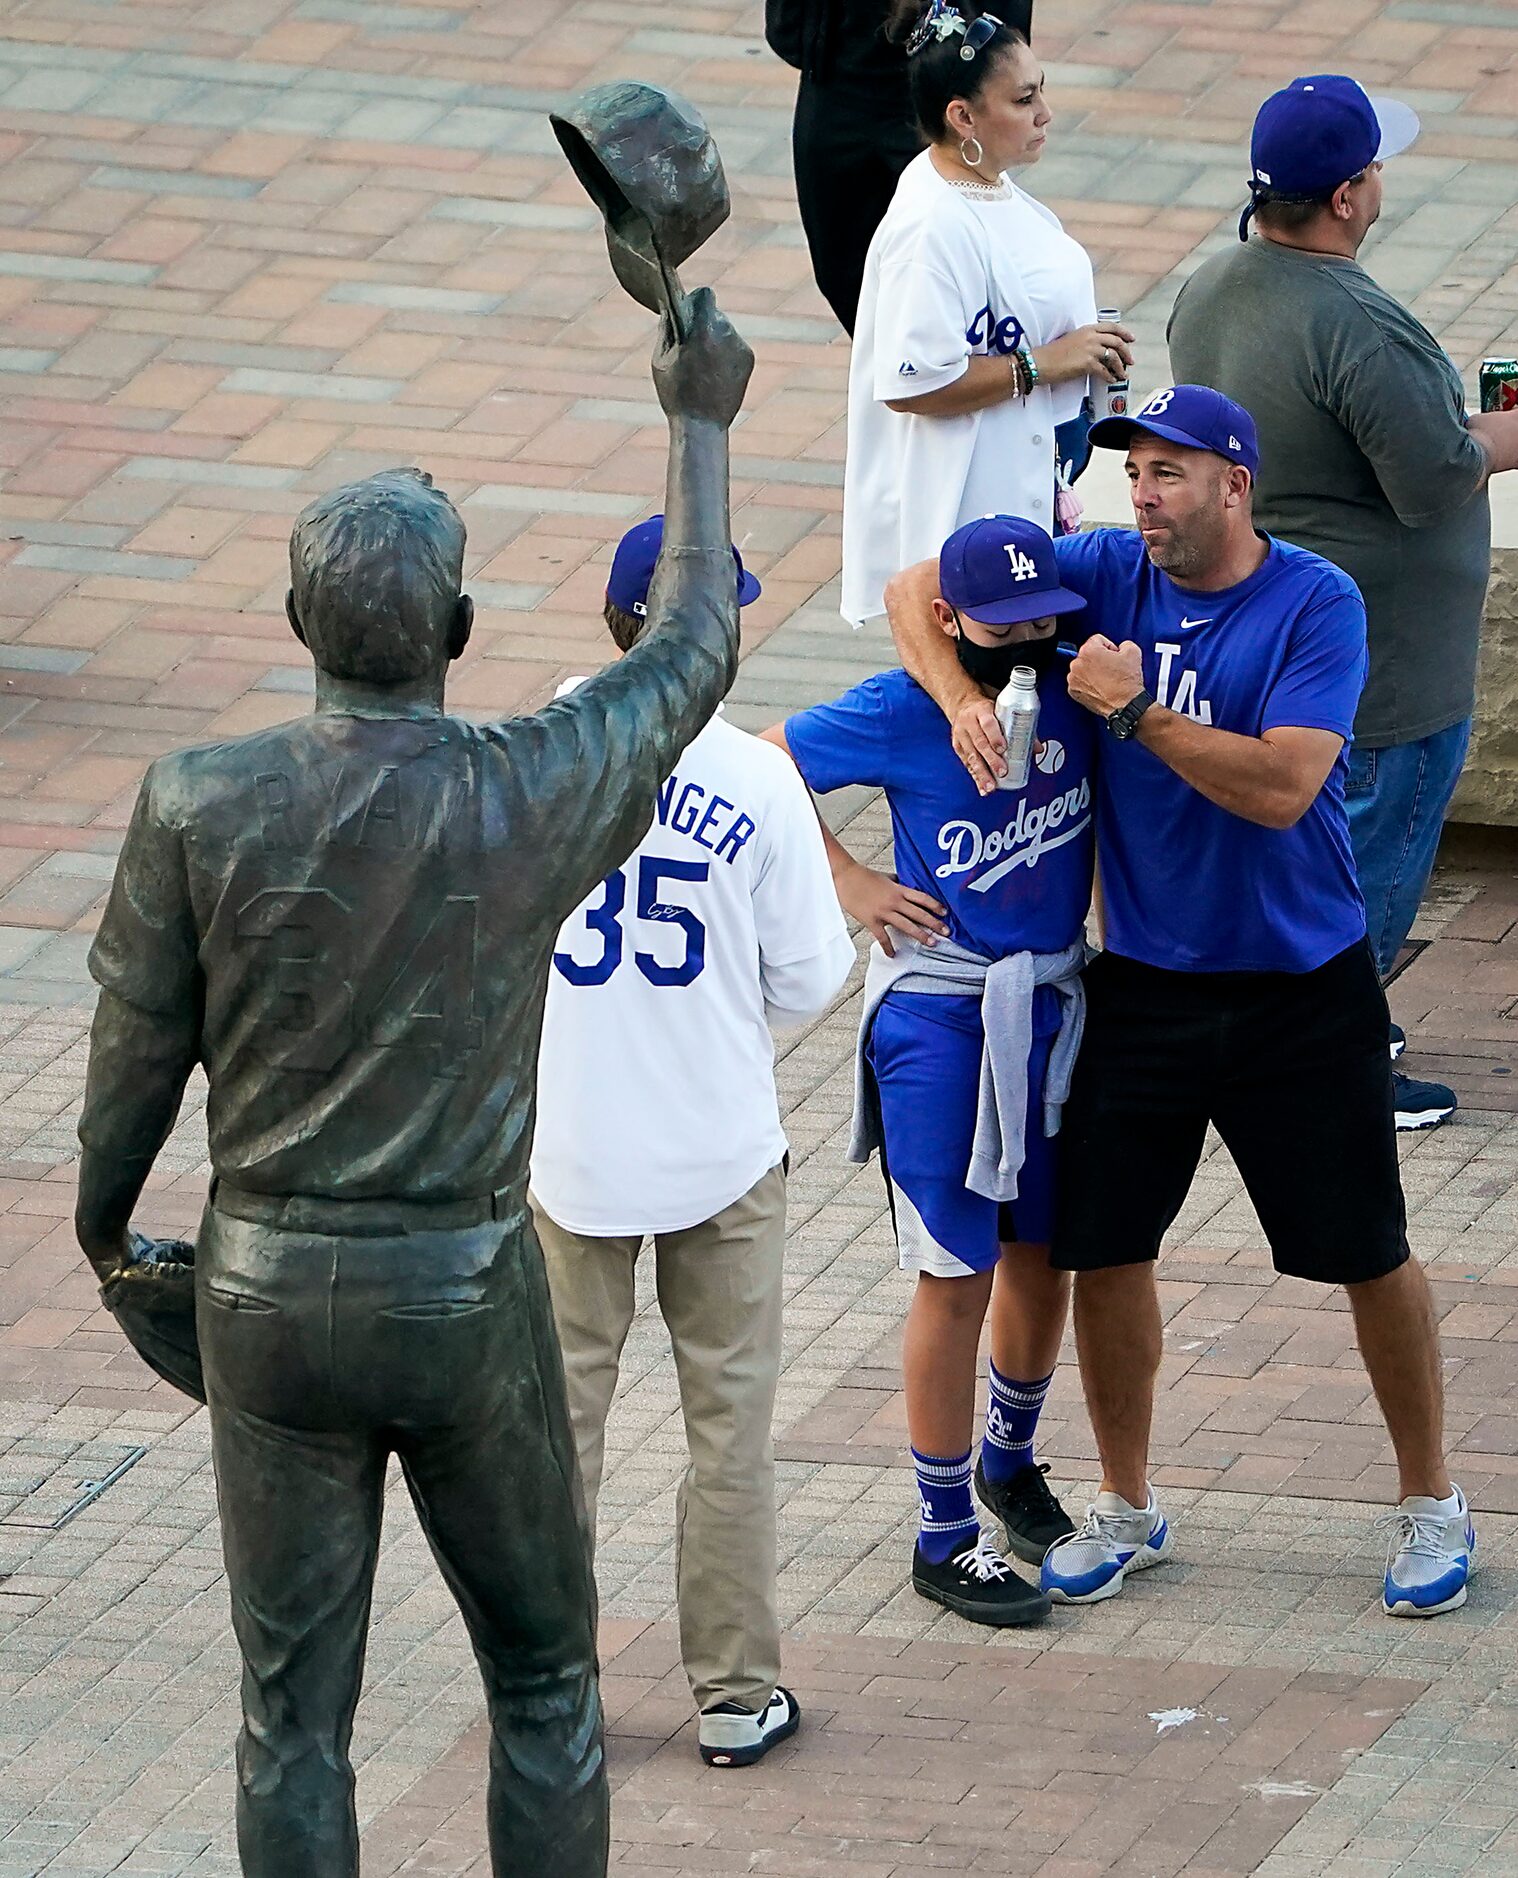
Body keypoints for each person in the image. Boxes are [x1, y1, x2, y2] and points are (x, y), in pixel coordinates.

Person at [72, 291, 756, 1877]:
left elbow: (128, 1061)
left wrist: (113, 1239)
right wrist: (699, 419)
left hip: (260, 1288)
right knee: (542, 1677)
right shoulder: (521, 788)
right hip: (455, 1289)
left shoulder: (197, 800)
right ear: (453, 635)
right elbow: (693, 642)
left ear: (298, 628)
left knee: (290, 1711)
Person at [885, 386, 1475, 1621]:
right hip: (1144, 987)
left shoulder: (1315, 604)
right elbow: (913, 588)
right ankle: (1128, 1502)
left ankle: (1430, 1500)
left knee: (1368, 1253)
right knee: (1107, 1249)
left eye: (1167, 474)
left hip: (1301, 990)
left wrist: (1133, 712)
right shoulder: (1104, 571)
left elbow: (1281, 785)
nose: (1141, 498)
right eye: (1133, 474)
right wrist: (955, 700)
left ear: (1234, 483)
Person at [530, 517, 852, 1771]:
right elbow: (810, 977)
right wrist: (714, 1030)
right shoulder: (758, 779)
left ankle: (550, 1696)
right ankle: (734, 1693)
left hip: (569, 1160)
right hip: (722, 1151)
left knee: (556, 1438)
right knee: (728, 1431)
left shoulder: (530, 755)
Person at [1169, 74, 1518, 1131]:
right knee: (1364, 869)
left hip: (1269, 631)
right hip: (1389, 667)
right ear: (1349, 198)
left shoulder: (1213, 286)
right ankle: (1330, 1056)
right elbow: (1434, 474)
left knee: (1293, 858)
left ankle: (1283, 1032)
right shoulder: (1364, 326)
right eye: (1374, 170)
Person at [764, 515, 1096, 1625]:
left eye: (1044, 620)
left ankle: (1008, 1460)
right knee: (956, 1269)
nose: (1031, 641)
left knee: (1044, 1255)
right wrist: (849, 878)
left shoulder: (1080, 695)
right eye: (1004, 628)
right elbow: (759, 764)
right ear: (952, 627)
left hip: (1053, 1008)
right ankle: (942, 1530)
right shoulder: (905, 710)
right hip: (943, 1019)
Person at [841, 0, 1132, 626]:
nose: (1044, 113)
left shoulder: (990, 187)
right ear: (963, 116)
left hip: (1023, 484)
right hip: (967, 515)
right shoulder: (929, 228)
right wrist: (1045, 364)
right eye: (1024, 99)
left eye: (1041, 91)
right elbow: (911, 382)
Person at [764, 0, 1033, 335]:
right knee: (843, 273)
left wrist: (995, 63)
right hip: (837, 80)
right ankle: (898, 374)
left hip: (937, 89)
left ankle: (943, 372)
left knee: (955, 261)